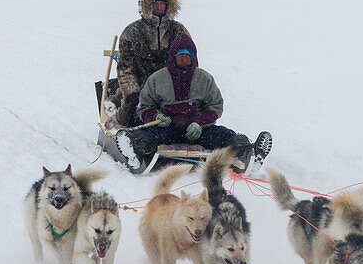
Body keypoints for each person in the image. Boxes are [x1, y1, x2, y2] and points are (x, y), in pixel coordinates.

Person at [115, 33, 271, 173]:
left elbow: (215, 106)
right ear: (173, 56)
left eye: (188, 56)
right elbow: (144, 107)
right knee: (148, 136)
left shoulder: (204, 78)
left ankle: (250, 153)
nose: (184, 59)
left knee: (224, 134)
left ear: (193, 57)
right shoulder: (157, 79)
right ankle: (133, 152)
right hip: (168, 129)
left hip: (197, 131)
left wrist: (199, 123)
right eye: (181, 55)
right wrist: (157, 116)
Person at [114, 0, 189, 127]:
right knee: (128, 119)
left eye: (163, 4)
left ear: (169, 6)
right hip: (141, 88)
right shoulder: (132, 32)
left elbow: (191, 63)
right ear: (148, 5)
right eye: (156, 4)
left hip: (171, 88)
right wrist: (132, 92)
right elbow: (124, 68)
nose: (159, 7)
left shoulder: (179, 31)